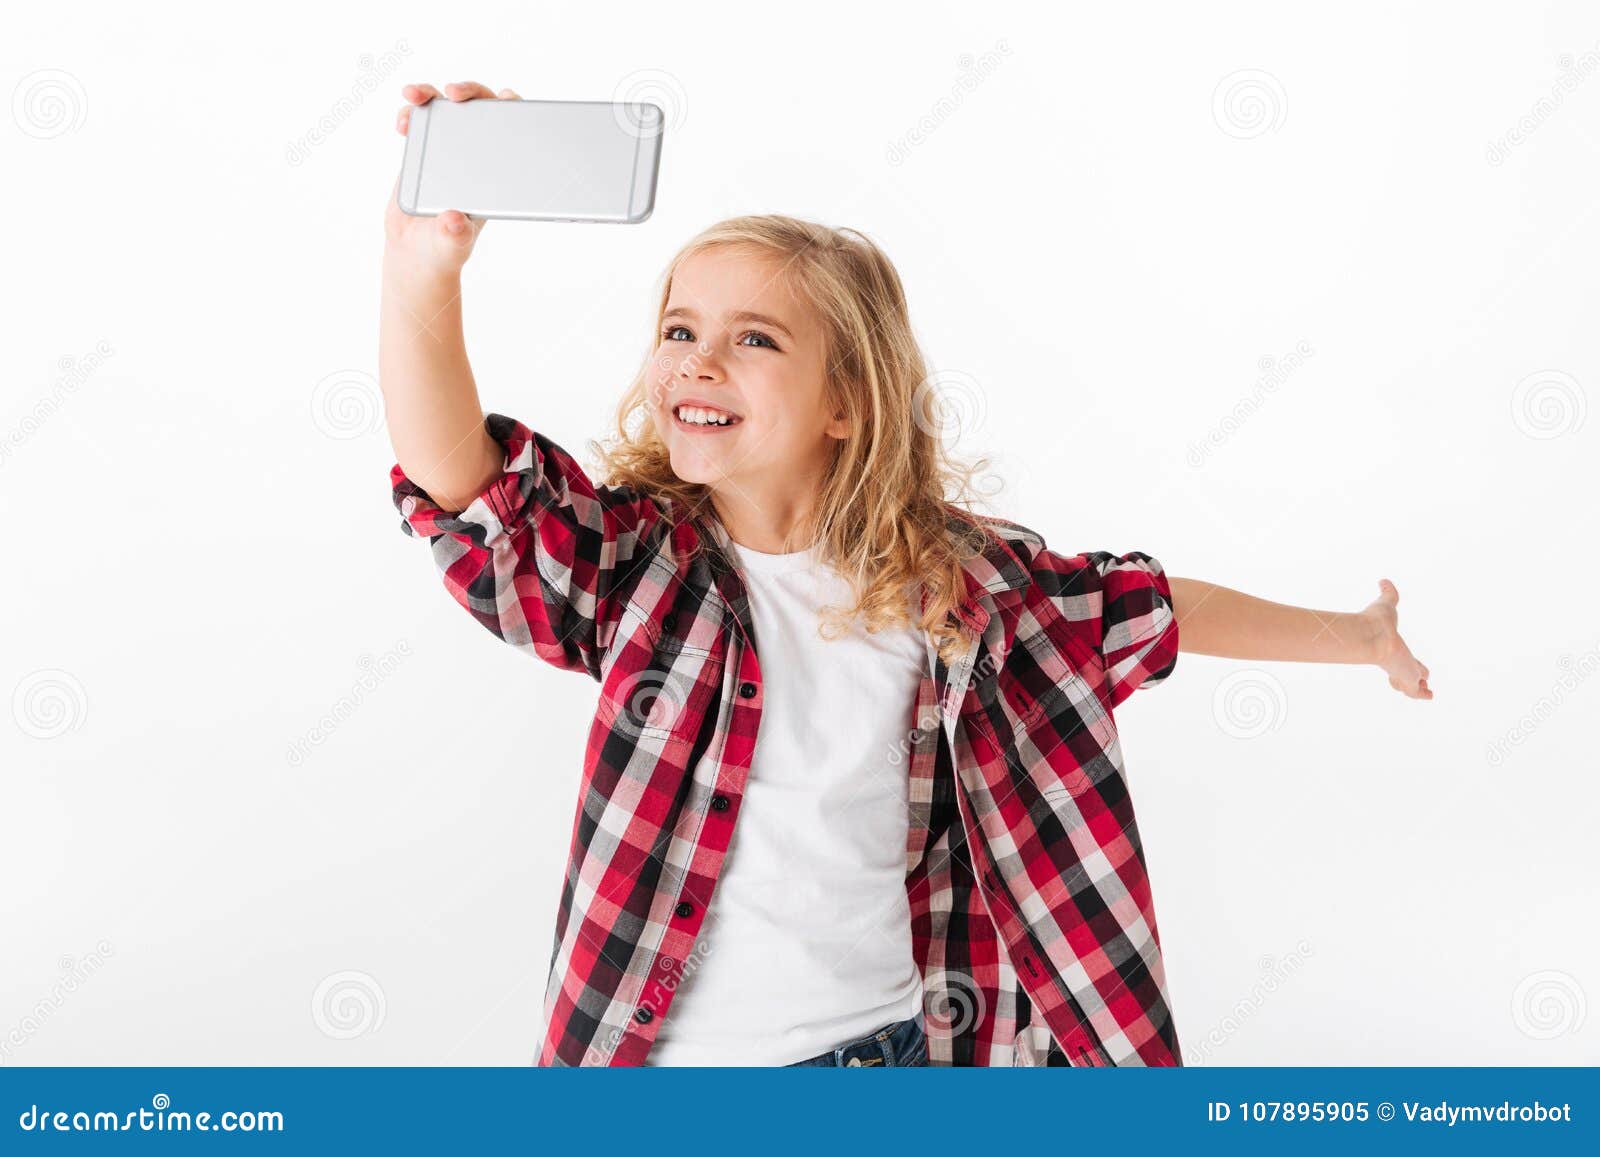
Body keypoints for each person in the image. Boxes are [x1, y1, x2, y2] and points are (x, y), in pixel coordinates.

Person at [378, 80, 1433, 1068]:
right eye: (679, 329)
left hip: (877, 1059)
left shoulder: (959, 587)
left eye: (754, 339)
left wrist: (1357, 634)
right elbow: (466, 487)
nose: (697, 359)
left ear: (847, 403)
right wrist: (421, 265)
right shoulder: (636, 566)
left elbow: (1149, 607)